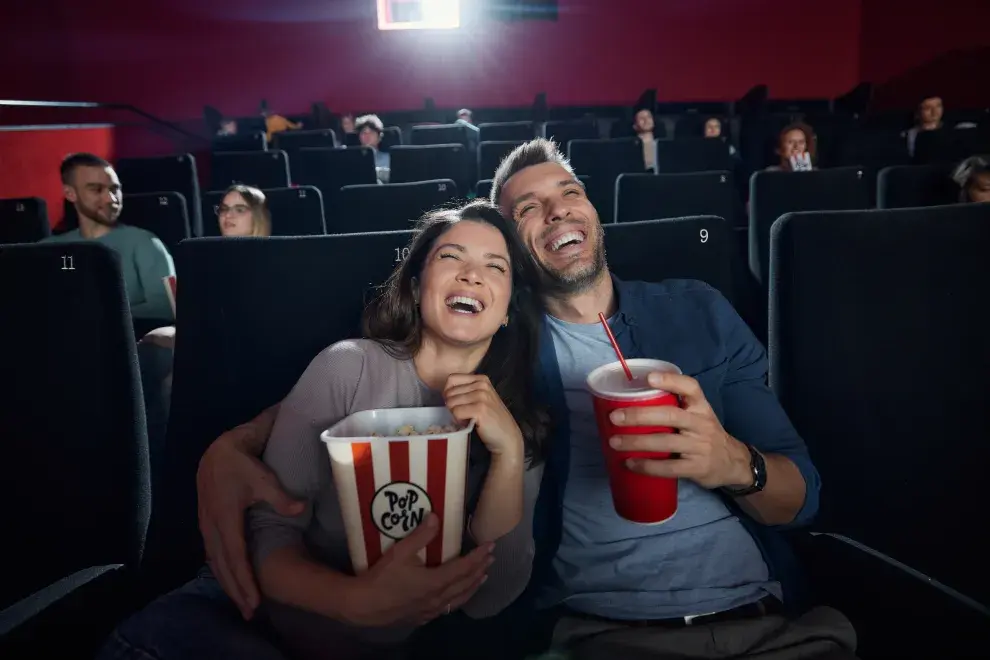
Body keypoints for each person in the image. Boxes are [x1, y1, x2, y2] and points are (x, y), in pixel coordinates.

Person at [184, 138, 858, 660]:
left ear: (592, 209)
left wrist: (732, 463)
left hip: (770, 624)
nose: (557, 209)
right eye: (527, 208)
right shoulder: (506, 354)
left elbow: (806, 499)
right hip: (603, 636)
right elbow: (396, 383)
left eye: (569, 192)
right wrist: (234, 445)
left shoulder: (699, 310)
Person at [97, 200, 549, 660]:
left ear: (509, 308)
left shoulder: (518, 421)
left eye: (495, 267)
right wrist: (353, 601)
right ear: (415, 287)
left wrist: (509, 454)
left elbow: (489, 600)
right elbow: (270, 531)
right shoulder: (347, 366)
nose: (472, 275)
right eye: (451, 257)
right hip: (242, 620)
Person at [43, 153, 175, 321]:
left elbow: (167, 308)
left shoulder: (146, 243)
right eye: (96, 190)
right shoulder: (50, 248)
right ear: (70, 194)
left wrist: (95, 316)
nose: (111, 199)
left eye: (115, 189)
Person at [357, 113, 391, 181]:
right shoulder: (352, 159)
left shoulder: (388, 158)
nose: (367, 136)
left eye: (371, 132)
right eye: (364, 132)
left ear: (379, 137)